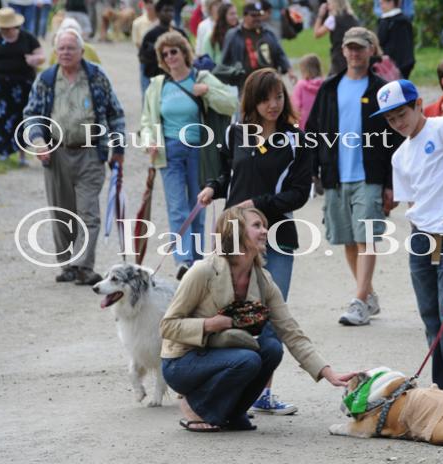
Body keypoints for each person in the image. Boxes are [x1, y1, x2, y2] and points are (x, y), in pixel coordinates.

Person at [160, 206, 353, 432]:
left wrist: (328, 373)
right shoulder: (203, 271)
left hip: (225, 353)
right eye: (257, 226)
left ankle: (231, 412)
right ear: (236, 232)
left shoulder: (263, 279)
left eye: (264, 226)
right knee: (247, 359)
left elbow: (290, 331)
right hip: (182, 362)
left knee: (271, 348)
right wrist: (209, 324)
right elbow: (167, 326)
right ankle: (195, 405)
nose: (265, 231)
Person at [199, 68, 312, 415]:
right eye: (265, 98)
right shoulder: (235, 133)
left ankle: (263, 392)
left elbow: (298, 194)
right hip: (233, 236)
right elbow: (227, 173)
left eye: (279, 96)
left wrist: (257, 204)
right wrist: (213, 188)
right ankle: (231, 389)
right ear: (252, 100)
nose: (273, 104)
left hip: (276, 238)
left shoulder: (298, 140)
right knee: (228, 315)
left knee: (269, 315)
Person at [372, 79, 443, 400]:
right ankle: (442, 394)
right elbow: (411, 202)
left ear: (419, 104)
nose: (398, 123)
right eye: (390, 120)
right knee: (431, 320)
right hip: (421, 239)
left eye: (402, 114)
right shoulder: (400, 155)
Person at [306, 27, 401, 326]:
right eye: (350, 47)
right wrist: (311, 171)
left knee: (367, 238)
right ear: (343, 51)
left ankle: (359, 300)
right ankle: (369, 295)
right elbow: (312, 131)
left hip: (370, 175)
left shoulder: (382, 90)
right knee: (348, 239)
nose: (355, 52)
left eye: (360, 47)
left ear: (371, 50)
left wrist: (391, 184)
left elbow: (395, 137)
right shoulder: (329, 88)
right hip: (336, 175)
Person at [22, 28, 126, 285]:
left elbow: (116, 114)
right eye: (61, 48)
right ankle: (67, 264)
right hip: (56, 153)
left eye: (71, 48)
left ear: (82, 51)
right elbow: (31, 114)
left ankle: (84, 266)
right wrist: (37, 140)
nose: (66, 52)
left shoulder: (96, 77)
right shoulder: (46, 79)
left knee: (89, 213)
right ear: (55, 52)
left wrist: (118, 149)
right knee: (61, 213)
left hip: (90, 153)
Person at [140, 32, 237, 278]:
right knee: (176, 206)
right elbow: (147, 120)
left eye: (174, 51)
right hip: (169, 150)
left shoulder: (202, 77)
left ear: (184, 52)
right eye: (165, 54)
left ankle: (195, 260)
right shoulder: (157, 86)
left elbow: (230, 104)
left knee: (198, 205)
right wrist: (149, 141)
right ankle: (183, 259)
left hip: (198, 152)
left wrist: (206, 92)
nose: (170, 57)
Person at [0, 7, 44, 165]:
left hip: (22, 84)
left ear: (14, 25)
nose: (5, 30)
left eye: (7, 27)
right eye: (2, 28)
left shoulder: (27, 38)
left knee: (22, 118)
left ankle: (22, 154)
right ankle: (2, 151)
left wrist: (34, 59)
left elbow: (41, 55)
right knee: (0, 117)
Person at [220, 1, 296, 87]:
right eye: (253, 15)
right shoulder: (234, 35)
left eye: (259, 15)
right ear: (245, 16)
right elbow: (225, 61)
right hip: (245, 84)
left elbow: (280, 54)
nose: (257, 18)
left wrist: (290, 71)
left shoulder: (268, 33)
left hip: (269, 82)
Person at [139, 0, 188, 81]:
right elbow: (143, 58)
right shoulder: (150, 35)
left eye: (171, 10)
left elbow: (189, 53)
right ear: (158, 13)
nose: (169, 13)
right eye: (166, 10)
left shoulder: (180, 33)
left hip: (180, 78)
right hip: (158, 78)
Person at [313, 0, 358, 76]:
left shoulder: (333, 19)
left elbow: (317, 34)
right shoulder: (353, 18)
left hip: (339, 56)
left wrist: (320, 15)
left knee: (333, 81)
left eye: (329, 4)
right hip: (354, 54)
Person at [376, 0, 414, 79]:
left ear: (392, 2)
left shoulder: (392, 22)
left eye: (383, 2)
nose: (381, 5)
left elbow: (381, 41)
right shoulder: (404, 20)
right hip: (401, 64)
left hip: (394, 65)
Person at [132, 0, 158, 98]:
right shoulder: (137, 23)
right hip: (147, 62)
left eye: (151, 2)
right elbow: (138, 44)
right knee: (146, 93)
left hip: (163, 62)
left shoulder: (164, 21)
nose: (149, 5)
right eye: (147, 2)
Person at [291, 53, 323, 130]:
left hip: (304, 124)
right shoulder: (324, 85)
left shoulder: (301, 85)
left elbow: (295, 106)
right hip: (320, 123)